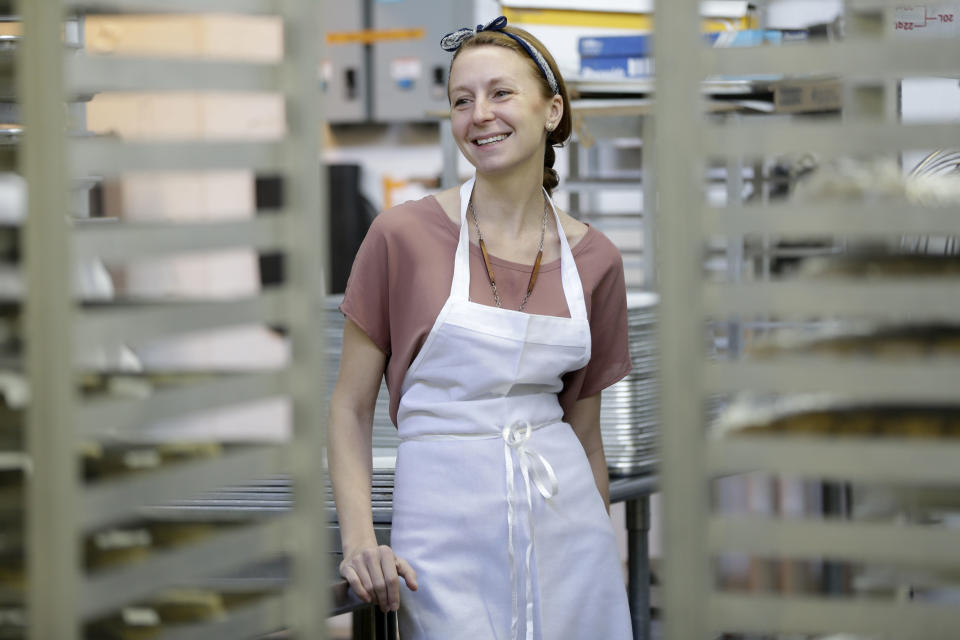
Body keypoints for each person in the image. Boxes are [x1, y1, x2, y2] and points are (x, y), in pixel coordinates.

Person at [329, 16, 633, 639]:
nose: (479, 114)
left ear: (551, 111)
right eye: (460, 100)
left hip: (567, 529)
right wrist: (362, 542)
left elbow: (585, 433)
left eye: (500, 93)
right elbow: (349, 408)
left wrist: (605, 552)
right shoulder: (403, 236)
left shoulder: (595, 258)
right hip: (442, 531)